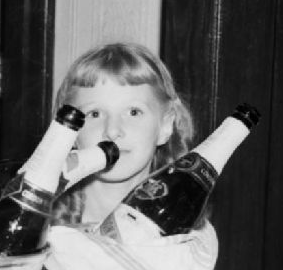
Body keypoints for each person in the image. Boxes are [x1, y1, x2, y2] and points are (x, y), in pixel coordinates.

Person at [51, 41, 196, 226]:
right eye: (94, 114)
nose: (112, 131)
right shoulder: (39, 229)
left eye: (133, 112)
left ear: (166, 126)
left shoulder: (187, 235)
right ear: (69, 130)